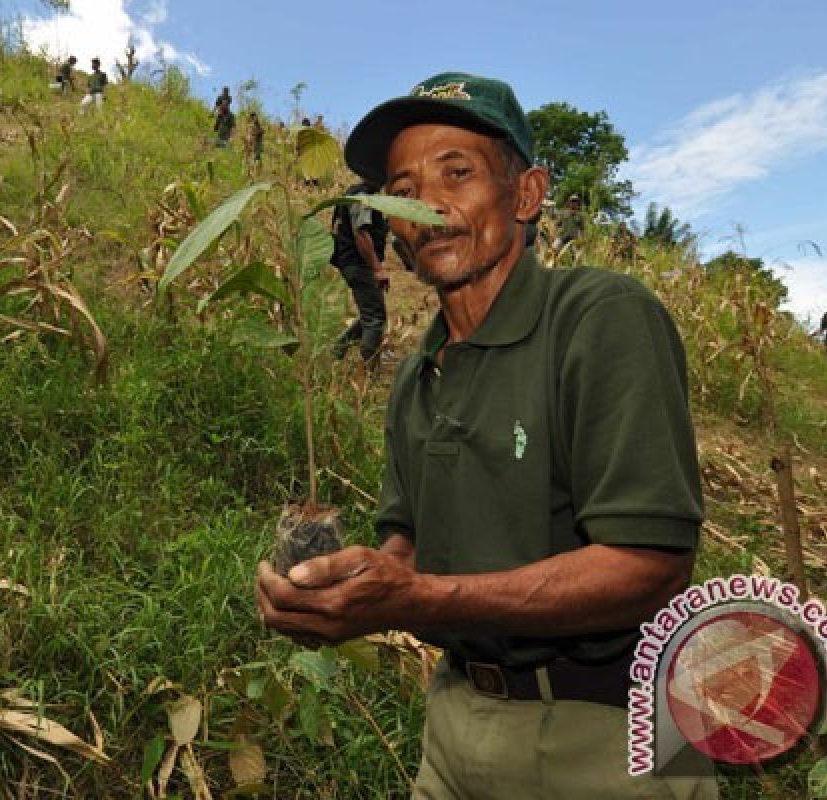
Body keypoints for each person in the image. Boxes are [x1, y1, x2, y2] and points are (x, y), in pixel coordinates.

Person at [256, 71, 717, 800]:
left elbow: (650, 565)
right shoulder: (417, 375)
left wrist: (415, 598)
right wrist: (337, 590)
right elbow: (405, 543)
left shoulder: (600, 319)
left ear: (527, 194)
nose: (427, 203)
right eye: (401, 187)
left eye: (458, 172)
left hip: (606, 736)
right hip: (453, 724)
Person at [329, 180, 390, 370]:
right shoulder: (362, 197)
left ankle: (339, 348)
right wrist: (377, 269)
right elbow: (361, 234)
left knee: (370, 312)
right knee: (375, 318)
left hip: (350, 262)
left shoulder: (355, 193)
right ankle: (370, 369)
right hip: (358, 263)